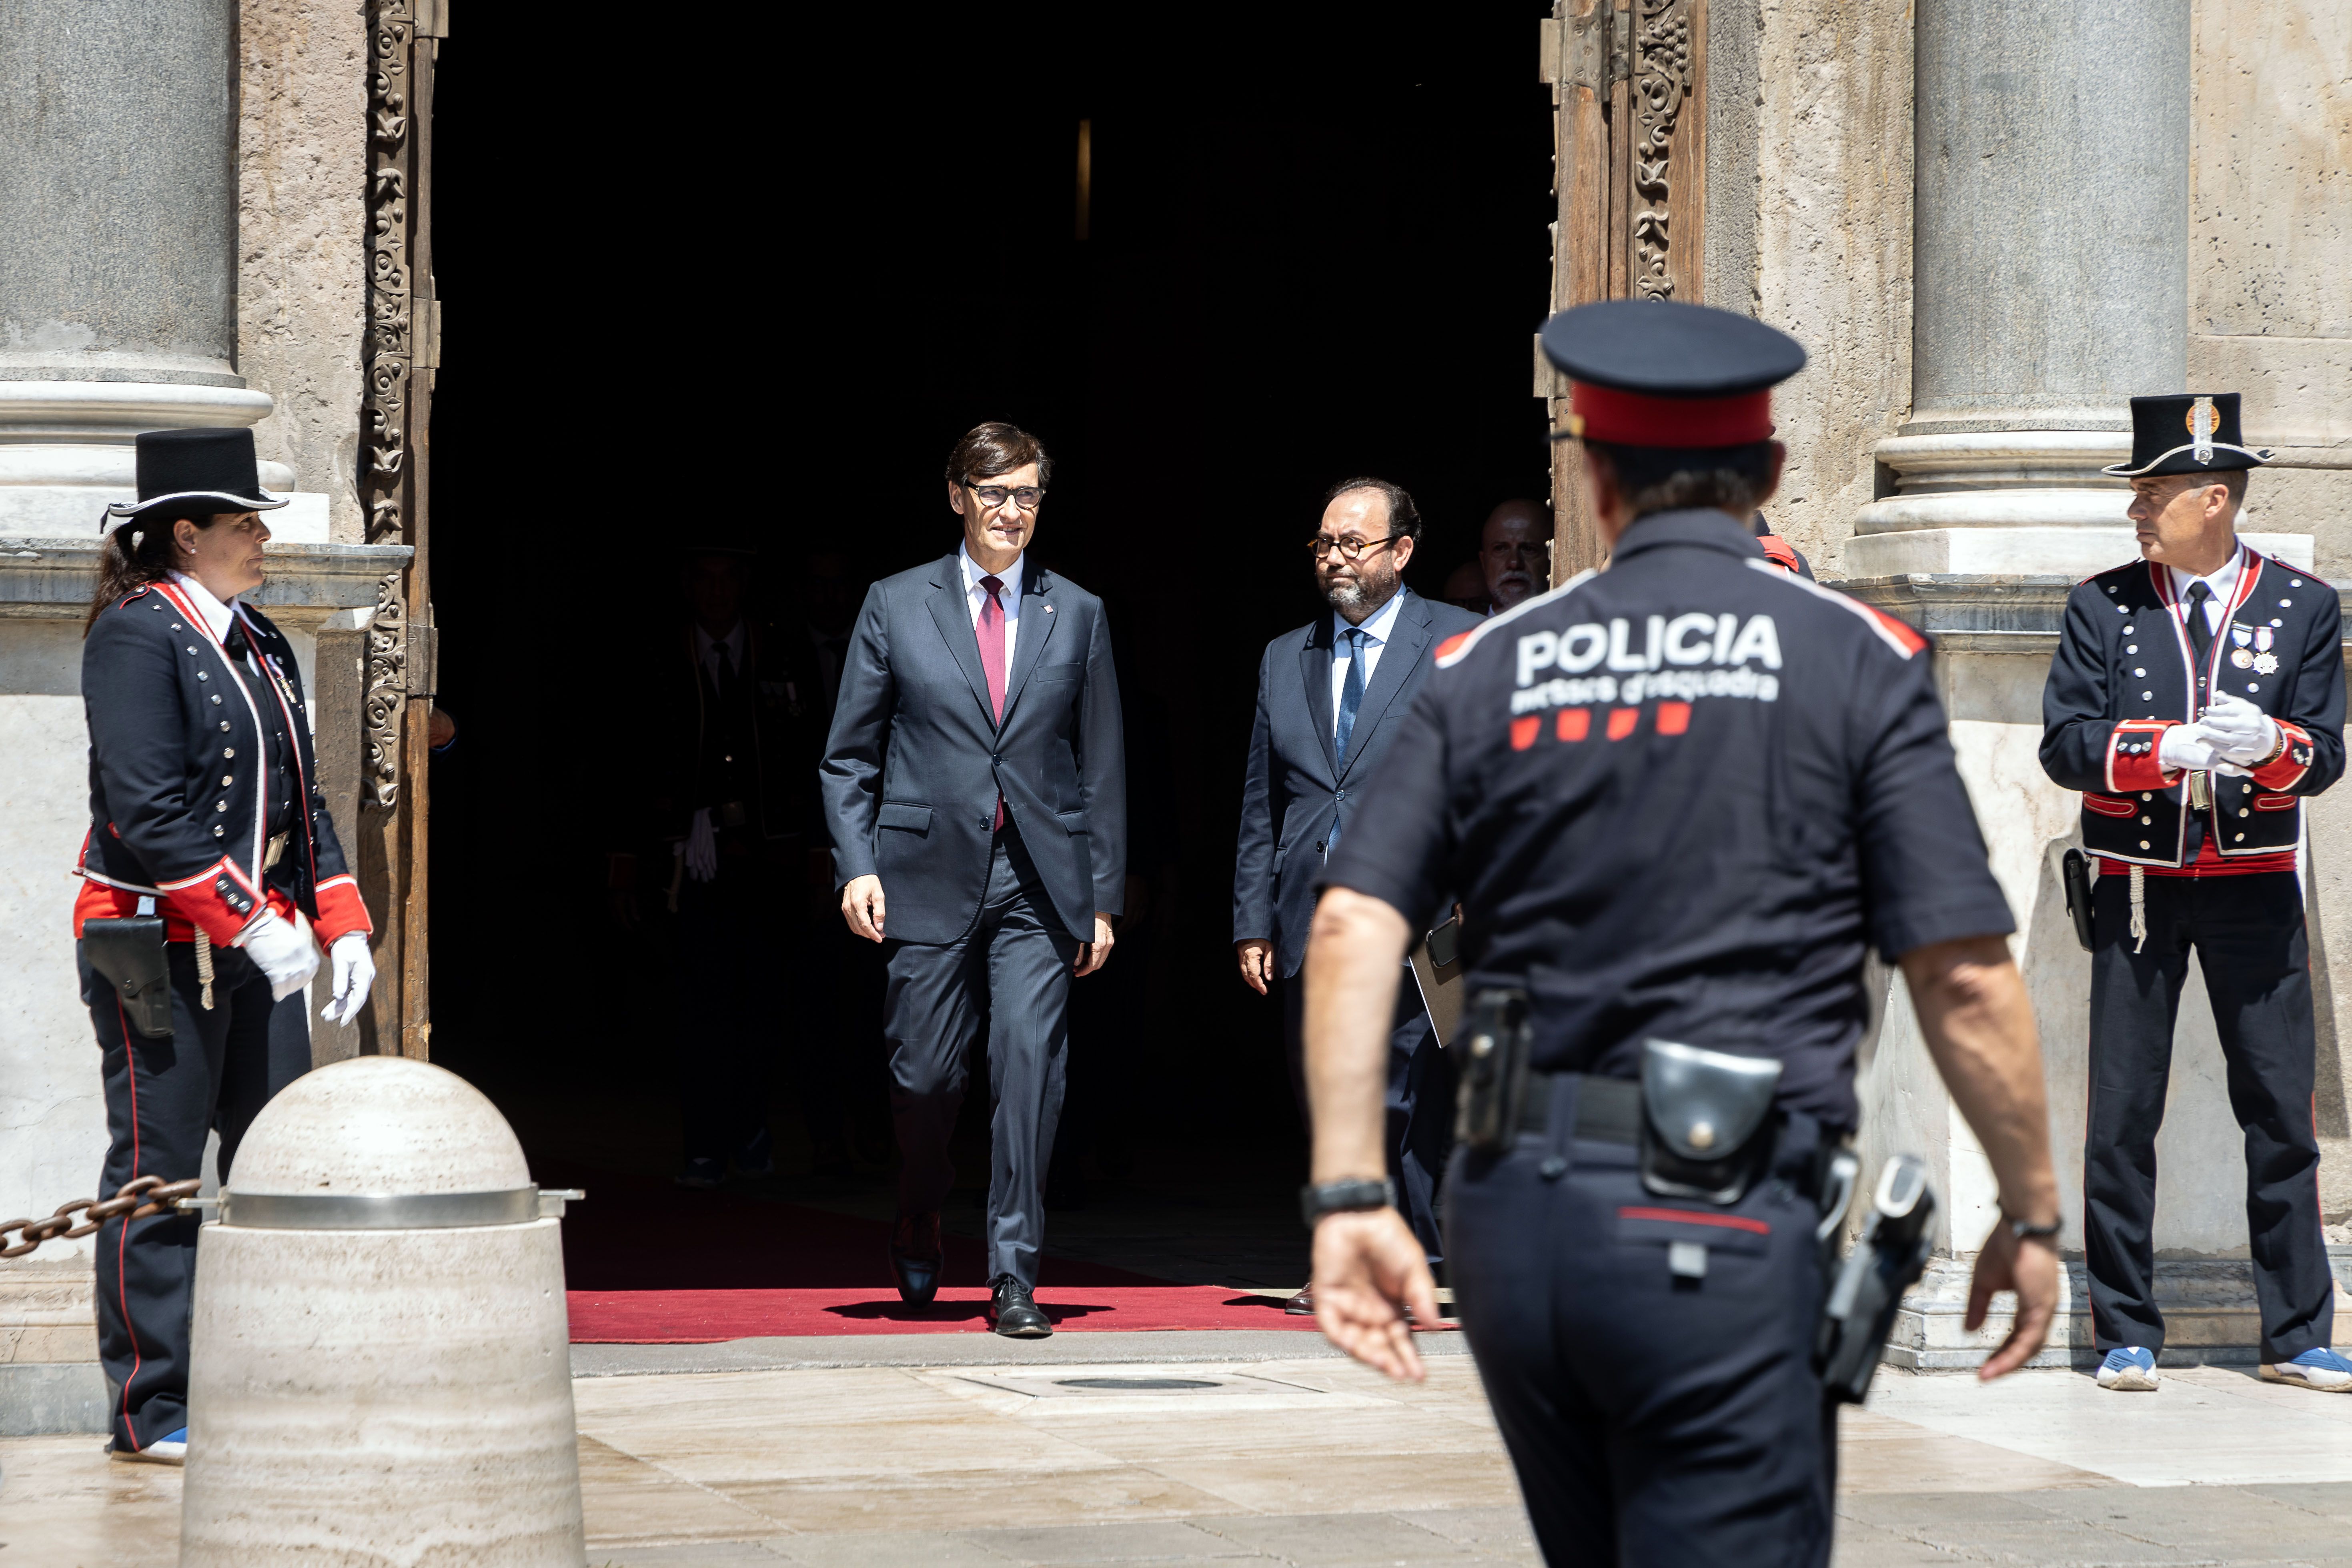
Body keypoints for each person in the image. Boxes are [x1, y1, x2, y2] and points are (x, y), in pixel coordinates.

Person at [1298, 300, 2062, 1566]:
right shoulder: (1855, 654)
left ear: (1595, 481)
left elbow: (1353, 924)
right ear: (1766, 476)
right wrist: (2031, 1213)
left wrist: (1347, 1191)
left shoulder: (1492, 660)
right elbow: (1965, 974)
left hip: (1514, 1222)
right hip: (1719, 1219)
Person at [76, 428, 377, 1465]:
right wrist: (249, 917)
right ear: (186, 533)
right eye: (244, 522)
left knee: (273, 1165)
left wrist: (341, 924)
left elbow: (305, 801)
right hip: (151, 946)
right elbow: (146, 809)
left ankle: (261, 1382)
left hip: (264, 944)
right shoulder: (134, 633)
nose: (261, 537)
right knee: (158, 1173)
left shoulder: (260, 638)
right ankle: (152, 1405)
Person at [2040, 393, 2350, 1394]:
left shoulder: (2301, 605)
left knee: (2280, 1111)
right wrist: (2152, 750)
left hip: (2255, 888)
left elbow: (2323, 751)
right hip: (2137, 886)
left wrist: (2274, 748)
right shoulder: (2103, 604)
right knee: (2120, 1114)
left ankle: (2296, 1330)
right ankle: (2126, 1327)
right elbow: (2065, 743)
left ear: (2212, 498)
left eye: (2154, 492)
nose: (2137, 510)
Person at [821, 421, 1126, 1338]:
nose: (1011, 510)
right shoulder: (894, 602)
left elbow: (1102, 763)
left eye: (1028, 493)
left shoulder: (1075, 611)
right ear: (956, 494)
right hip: (922, 868)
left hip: (1038, 876)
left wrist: (1102, 893)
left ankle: (1012, 1273)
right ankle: (919, 1205)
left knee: (1029, 1067)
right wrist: (857, 863)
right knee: (925, 1075)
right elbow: (848, 756)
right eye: (994, 492)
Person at [1234, 477, 1484, 1310]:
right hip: (1311, 914)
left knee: (1393, 1090)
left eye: (1352, 544)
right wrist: (1252, 920)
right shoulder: (1284, 656)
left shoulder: (1458, 641)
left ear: (1401, 552)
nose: (1334, 559)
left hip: (1424, 917)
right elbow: (1262, 802)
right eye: (1324, 545)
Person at [612, 537, 828, 1187]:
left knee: (763, 1005)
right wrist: (623, 861)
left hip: (769, 861)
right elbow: (624, 759)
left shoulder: (782, 651)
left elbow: (821, 758)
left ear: (743, 584)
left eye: (727, 578)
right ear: (687, 584)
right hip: (689, 866)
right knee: (700, 1009)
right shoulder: (656, 656)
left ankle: (753, 1130)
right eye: (704, 578)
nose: (716, 592)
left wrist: (822, 852)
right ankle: (704, 1144)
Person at [1479, 499, 1554, 611]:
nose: (1514, 563)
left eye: (1528, 549)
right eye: (1500, 549)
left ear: (1553, 558)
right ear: (1484, 562)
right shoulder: (1465, 628)